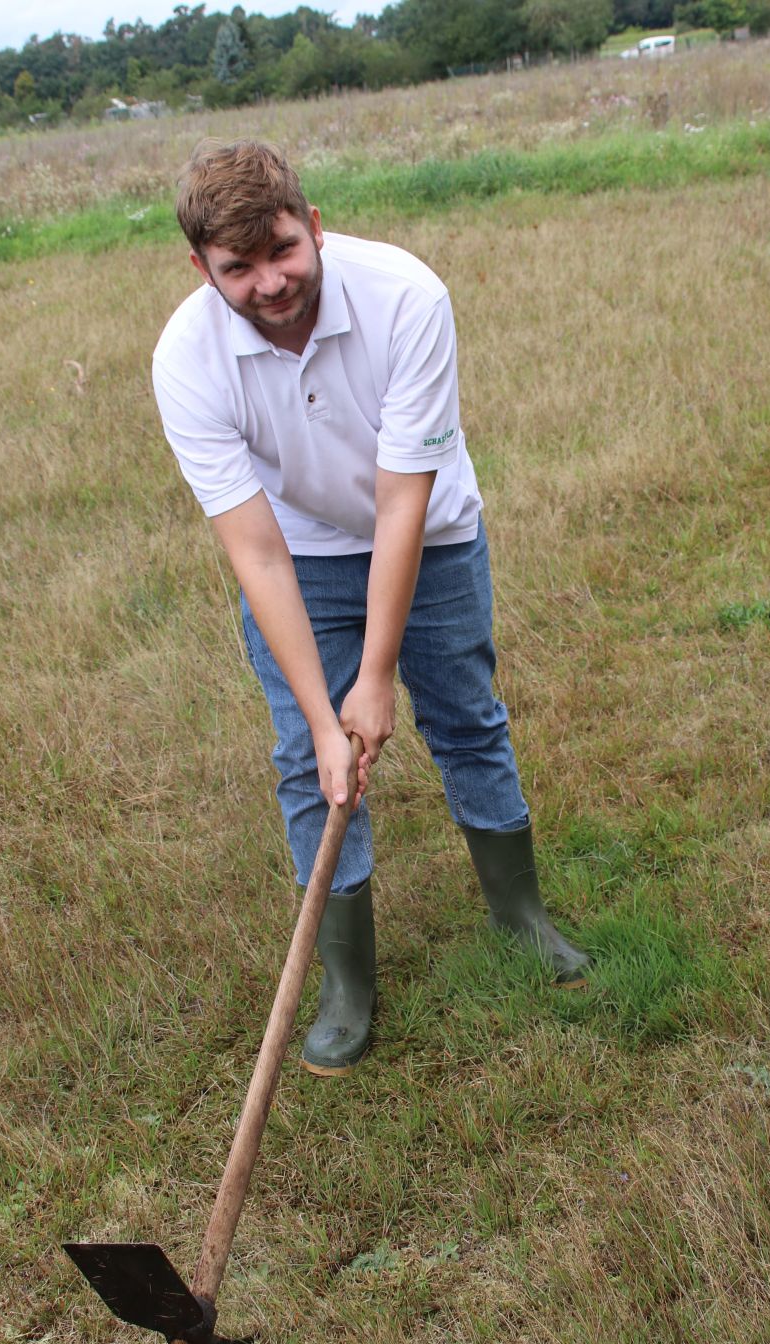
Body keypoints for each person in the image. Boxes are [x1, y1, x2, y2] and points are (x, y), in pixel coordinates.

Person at [152, 139, 590, 1078]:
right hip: (301, 559)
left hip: (429, 538)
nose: (269, 282)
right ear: (201, 269)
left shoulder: (407, 298)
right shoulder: (186, 360)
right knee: (311, 764)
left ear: (314, 226)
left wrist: (377, 675)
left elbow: (403, 500)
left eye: (283, 251)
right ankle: (349, 982)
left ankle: (521, 918)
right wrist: (326, 714)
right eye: (239, 269)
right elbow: (257, 550)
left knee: (467, 720)